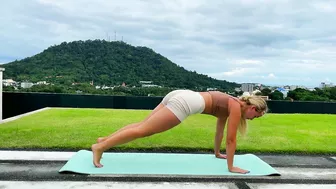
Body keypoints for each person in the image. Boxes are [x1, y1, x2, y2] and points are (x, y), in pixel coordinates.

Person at [91, 89, 268, 174]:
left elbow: (220, 132)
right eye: (256, 116)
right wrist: (231, 167)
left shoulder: (231, 103)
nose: (253, 119)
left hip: (181, 94)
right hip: (186, 102)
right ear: (252, 107)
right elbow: (231, 140)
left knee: (141, 125)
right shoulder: (237, 107)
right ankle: (101, 147)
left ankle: (104, 140)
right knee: (144, 130)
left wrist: (217, 153)